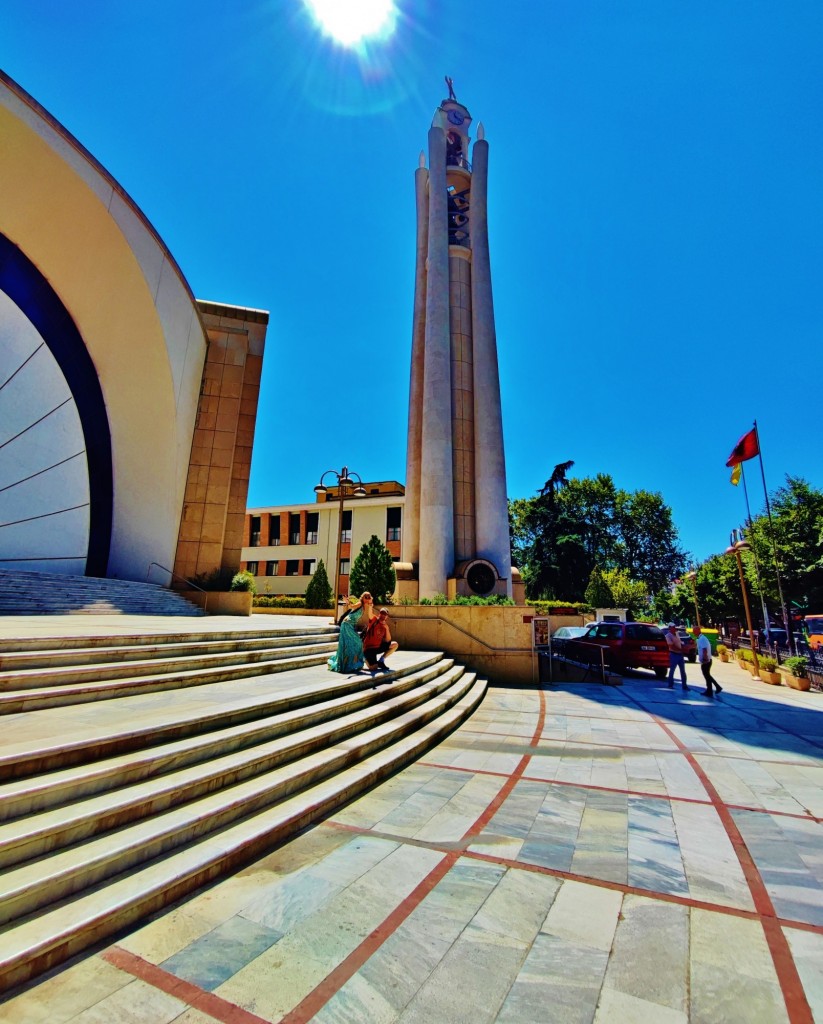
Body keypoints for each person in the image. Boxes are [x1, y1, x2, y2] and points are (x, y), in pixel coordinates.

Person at [327, 592, 375, 674]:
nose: (367, 598)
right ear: (362, 598)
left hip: (349, 625)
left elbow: (371, 613)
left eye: (368, 597)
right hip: (347, 624)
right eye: (365, 597)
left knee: (350, 644)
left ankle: (348, 664)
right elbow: (351, 606)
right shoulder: (360, 603)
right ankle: (349, 664)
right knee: (358, 642)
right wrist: (347, 602)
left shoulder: (364, 606)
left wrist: (370, 603)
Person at [363, 608, 399, 672]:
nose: (383, 615)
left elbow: (388, 640)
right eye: (382, 613)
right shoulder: (374, 619)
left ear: (387, 616)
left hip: (377, 647)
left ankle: (381, 660)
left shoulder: (385, 626)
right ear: (379, 614)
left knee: (395, 644)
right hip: (369, 648)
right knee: (374, 668)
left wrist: (386, 628)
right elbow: (370, 614)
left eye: (385, 614)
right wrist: (370, 605)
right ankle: (363, 657)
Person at [694, 626, 723, 698]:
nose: (694, 632)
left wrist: (705, 659)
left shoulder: (702, 639)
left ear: (698, 631)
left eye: (695, 631)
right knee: (707, 675)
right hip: (706, 660)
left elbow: (704, 649)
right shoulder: (700, 638)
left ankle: (711, 690)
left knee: (707, 675)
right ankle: (714, 688)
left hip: (706, 660)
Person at [665, 623, 688, 691]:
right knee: (672, 670)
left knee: (683, 671)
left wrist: (683, 647)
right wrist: (681, 649)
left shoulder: (677, 634)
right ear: (670, 628)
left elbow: (680, 642)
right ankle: (670, 684)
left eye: (675, 627)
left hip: (680, 655)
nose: (675, 628)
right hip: (673, 654)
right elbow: (671, 646)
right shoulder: (668, 636)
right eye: (673, 627)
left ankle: (684, 686)